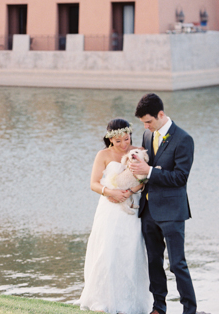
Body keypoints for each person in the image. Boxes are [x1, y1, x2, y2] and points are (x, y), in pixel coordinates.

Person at [129, 93, 197, 314]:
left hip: (172, 211)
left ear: (161, 114)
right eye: (143, 123)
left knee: (177, 264)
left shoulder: (184, 139)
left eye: (149, 121)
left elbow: (180, 178)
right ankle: (159, 307)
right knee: (154, 262)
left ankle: (189, 310)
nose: (147, 127)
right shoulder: (148, 136)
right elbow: (144, 169)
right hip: (148, 210)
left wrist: (149, 171)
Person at [77, 118, 152, 314]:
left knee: (130, 253)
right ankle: (103, 303)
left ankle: (130, 305)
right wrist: (111, 193)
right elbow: (93, 183)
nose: (123, 144)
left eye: (126, 139)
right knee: (107, 252)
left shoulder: (139, 151)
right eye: (118, 141)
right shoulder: (103, 155)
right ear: (110, 139)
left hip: (131, 209)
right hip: (109, 210)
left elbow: (144, 179)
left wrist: (130, 190)